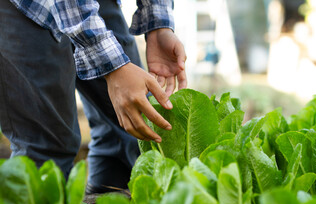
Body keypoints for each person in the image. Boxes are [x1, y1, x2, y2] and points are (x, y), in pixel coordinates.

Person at [0, 0, 187, 193]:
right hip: (25, 6)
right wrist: (113, 66)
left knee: (131, 126)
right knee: (46, 148)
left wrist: (159, 25)